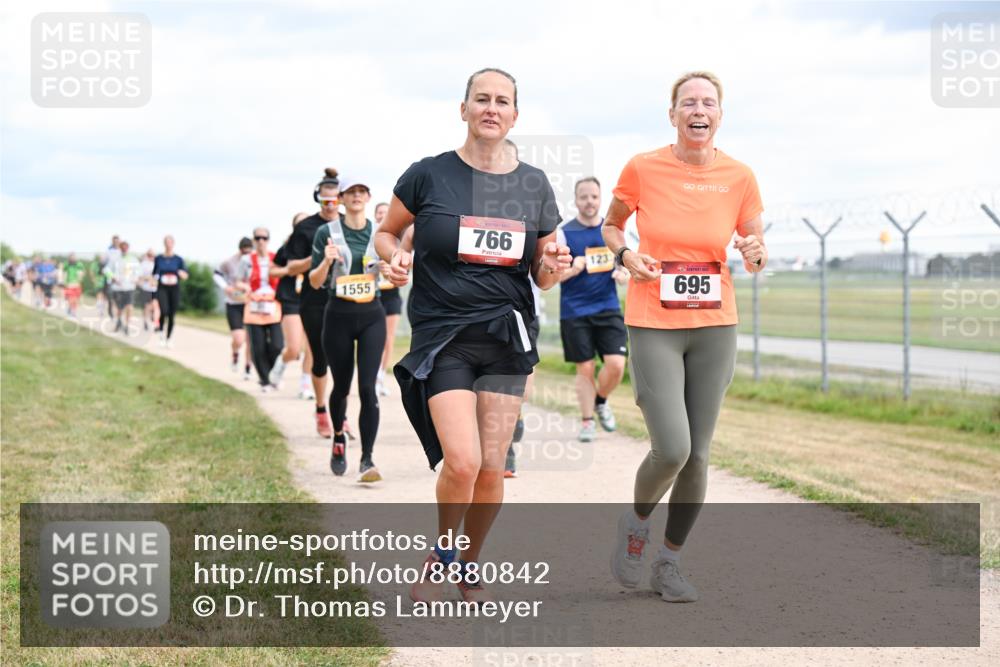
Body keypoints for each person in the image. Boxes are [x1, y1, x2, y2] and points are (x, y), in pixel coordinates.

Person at [375, 67, 570, 604]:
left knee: (491, 468)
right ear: (463, 109)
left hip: (506, 338)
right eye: (480, 99)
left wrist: (554, 260)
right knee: (460, 461)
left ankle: (469, 564)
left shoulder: (534, 184)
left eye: (502, 101)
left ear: (514, 115)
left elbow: (544, 273)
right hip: (443, 336)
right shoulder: (428, 174)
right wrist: (396, 259)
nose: (491, 108)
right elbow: (386, 234)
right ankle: (440, 555)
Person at [603, 71, 766, 603]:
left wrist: (754, 250)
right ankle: (636, 523)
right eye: (689, 102)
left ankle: (668, 563)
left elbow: (752, 234)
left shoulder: (739, 175)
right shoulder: (643, 167)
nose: (700, 110)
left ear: (720, 115)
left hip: (716, 323)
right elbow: (612, 226)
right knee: (672, 447)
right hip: (654, 320)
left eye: (710, 103)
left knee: (699, 455)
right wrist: (626, 254)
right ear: (672, 114)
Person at [309, 178, 387, 482]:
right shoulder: (325, 233)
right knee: (341, 387)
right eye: (350, 192)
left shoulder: (381, 233)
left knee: (368, 388)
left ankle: (367, 459)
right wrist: (326, 263)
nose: (356, 196)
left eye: (361, 191)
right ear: (341, 198)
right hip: (338, 313)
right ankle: (339, 436)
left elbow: (394, 272)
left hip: (372, 314)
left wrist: (394, 270)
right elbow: (315, 282)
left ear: (368, 197)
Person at [556, 177, 630, 442]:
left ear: (601, 200)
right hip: (575, 311)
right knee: (585, 369)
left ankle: (601, 400)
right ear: (576, 200)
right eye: (584, 197)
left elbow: (626, 264)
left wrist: (623, 272)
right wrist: (572, 269)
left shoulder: (611, 231)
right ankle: (587, 422)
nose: (589, 201)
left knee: (617, 365)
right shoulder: (564, 233)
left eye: (594, 197)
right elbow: (551, 276)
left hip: (607, 307)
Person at [269, 171, 340, 439]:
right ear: (319, 199)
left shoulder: (349, 224)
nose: (331, 204)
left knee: (342, 359)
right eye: (326, 200)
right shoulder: (306, 228)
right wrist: (319, 258)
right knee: (318, 355)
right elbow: (289, 267)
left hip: (344, 299)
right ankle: (321, 408)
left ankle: (339, 414)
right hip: (312, 299)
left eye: (335, 199)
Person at [271, 212, 316, 399]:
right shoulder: (287, 249)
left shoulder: (319, 246)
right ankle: (281, 363)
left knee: (313, 346)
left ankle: (305, 384)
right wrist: (289, 270)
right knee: (295, 348)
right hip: (290, 298)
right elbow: (272, 272)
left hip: (312, 298)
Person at [237, 228, 285, 391]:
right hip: (254, 305)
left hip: (272, 305)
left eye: (264, 238)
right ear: (253, 240)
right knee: (258, 346)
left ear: (268, 240)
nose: (261, 241)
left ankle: (273, 374)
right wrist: (246, 289)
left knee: (278, 344)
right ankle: (265, 380)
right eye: (257, 238)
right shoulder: (246, 260)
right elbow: (238, 281)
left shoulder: (275, 258)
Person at [215, 237, 254, 378]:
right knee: (239, 338)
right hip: (233, 304)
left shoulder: (255, 261)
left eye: (249, 252)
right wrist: (226, 287)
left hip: (250, 304)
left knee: (251, 339)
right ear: (240, 250)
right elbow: (217, 274)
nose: (247, 255)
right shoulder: (230, 262)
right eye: (244, 252)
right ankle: (235, 353)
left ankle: (248, 368)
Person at [374, 201, 401, 397]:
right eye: (379, 213)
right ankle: (371, 375)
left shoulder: (399, 239)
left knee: (388, 339)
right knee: (376, 338)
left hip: (392, 295)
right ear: (375, 216)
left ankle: (381, 377)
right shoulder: (369, 237)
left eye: (386, 212)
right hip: (373, 295)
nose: (383, 215)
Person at [153, 235, 188, 348]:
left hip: (174, 288)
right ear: (164, 244)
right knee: (163, 310)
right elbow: (154, 274)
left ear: (173, 244)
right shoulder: (159, 258)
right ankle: (161, 334)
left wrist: (182, 274)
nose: (168, 244)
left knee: (172, 314)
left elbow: (185, 275)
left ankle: (169, 338)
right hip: (162, 287)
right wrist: (153, 280)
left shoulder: (178, 259)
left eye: (170, 242)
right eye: (166, 242)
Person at [109, 241, 140, 334]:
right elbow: (107, 270)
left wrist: (136, 278)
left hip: (129, 287)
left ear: (128, 248)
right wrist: (112, 277)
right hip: (118, 288)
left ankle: (127, 325)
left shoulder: (133, 260)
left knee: (130, 307)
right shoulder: (115, 259)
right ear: (120, 248)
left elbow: (138, 271)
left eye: (126, 247)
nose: (124, 249)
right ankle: (119, 322)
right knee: (119, 308)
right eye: (122, 247)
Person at [136, 249, 160, 330]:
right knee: (147, 306)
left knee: (155, 306)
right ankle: (146, 321)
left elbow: (158, 277)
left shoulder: (156, 264)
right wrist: (148, 278)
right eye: (150, 255)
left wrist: (154, 280)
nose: (151, 257)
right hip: (146, 288)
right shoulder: (144, 264)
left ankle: (155, 322)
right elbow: (139, 276)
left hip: (155, 289)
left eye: (153, 255)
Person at [61, 253, 87, 318]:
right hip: (69, 284)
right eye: (72, 257)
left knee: (75, 299)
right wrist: (64, 281)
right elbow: (63, 272)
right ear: (69, 258)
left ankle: (72, 310)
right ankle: (72, 312)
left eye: (74, 257)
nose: (73, 258)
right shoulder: (66, 264)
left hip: (77, 284)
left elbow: (83, 272)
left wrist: (81, 276)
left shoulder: (79, 264)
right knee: (70, 299)